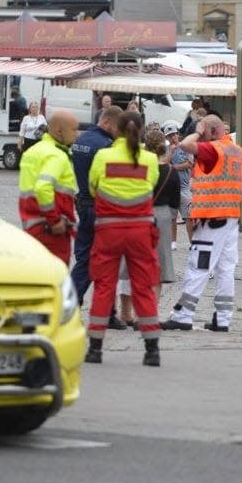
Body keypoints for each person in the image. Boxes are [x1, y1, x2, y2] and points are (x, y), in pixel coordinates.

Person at [85, 111, 162, 366]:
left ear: (115, 129)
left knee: (104, 285)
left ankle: (95, 348)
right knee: (143, 286)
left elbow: (92, 188)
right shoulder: (150, 159)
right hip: (140, 231)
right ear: (140, 131)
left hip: (109, 230)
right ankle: (152, 350)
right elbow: (150, 185)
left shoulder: (103, 156)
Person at [161, 114, 242, 332]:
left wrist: (198, 131)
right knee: (226, 269)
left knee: (198, 266)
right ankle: (223, 318)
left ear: (212, 131)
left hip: (212, 220)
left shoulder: (213, 149)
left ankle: (184, 315)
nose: (200, 138)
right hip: (230, 219)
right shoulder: (237, 151)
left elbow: (185, 145)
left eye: (204, 132)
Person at [70, 104, 127, 330]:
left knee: (83, 258)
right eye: (118, 128)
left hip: (83, 205)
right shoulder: (106, 146)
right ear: (108, 123)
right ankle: (106, 313)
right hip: (101, 208)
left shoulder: (80, 141)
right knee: (107, 262)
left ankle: (72, 304)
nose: (119, 133)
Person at [117, 129, 180, 326]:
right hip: (160, 218)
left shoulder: (137, 167)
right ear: (164, 147)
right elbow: (175, 205)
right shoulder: (170, 172)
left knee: (131, 265)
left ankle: (127, 312)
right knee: (157, 268)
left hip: (136, 214)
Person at [18, 110, 79, 264]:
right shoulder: (57, 155)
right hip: (52, 231)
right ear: (59, 131)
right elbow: (43, 187)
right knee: (56, 280)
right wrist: (55, 220)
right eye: (73, 129)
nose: (77, 134)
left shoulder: (33, 151)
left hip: (32, 226)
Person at [166, 119, 194, 246]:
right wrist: (171, 153)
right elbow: (164, 164)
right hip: (171, 188)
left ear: (178, 134)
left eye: (175, 134)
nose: (173, 137)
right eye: (170, 136)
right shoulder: (166, 149)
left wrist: (175, 167)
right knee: (172, 217)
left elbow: (190, 163)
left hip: (184, 186)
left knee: (189, 216)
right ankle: (173, 241)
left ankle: (191, 242)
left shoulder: (185, 147)